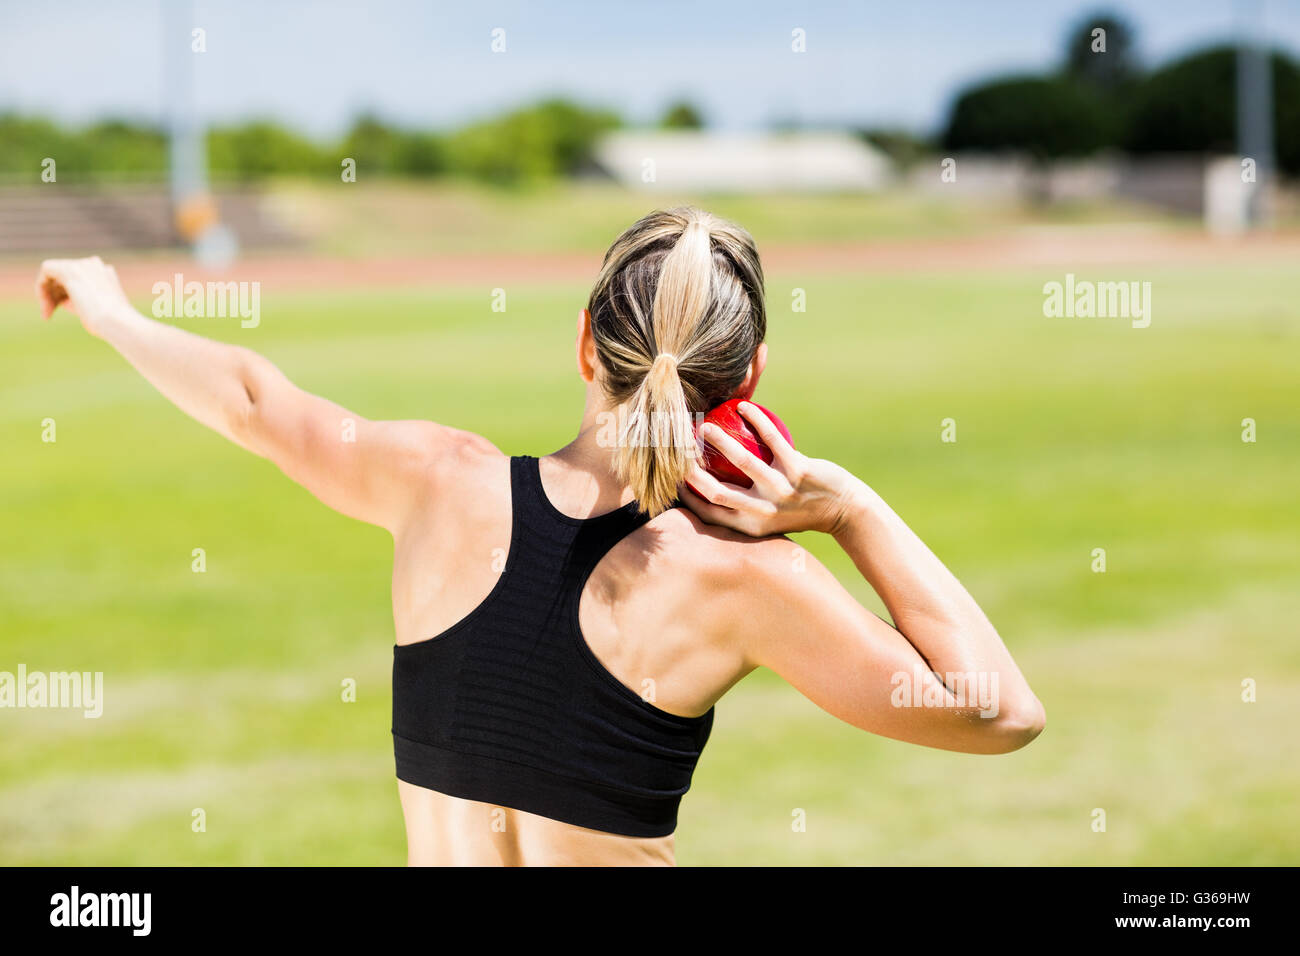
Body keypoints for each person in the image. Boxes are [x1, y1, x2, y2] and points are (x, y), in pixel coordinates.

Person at [35, 206, 1044, 866]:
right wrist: (852, 510)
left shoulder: (437, 481)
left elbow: (256, 402)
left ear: (582, 340)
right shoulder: (742, 577)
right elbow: (997, 712)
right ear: (749, 382)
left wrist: (110, 308)